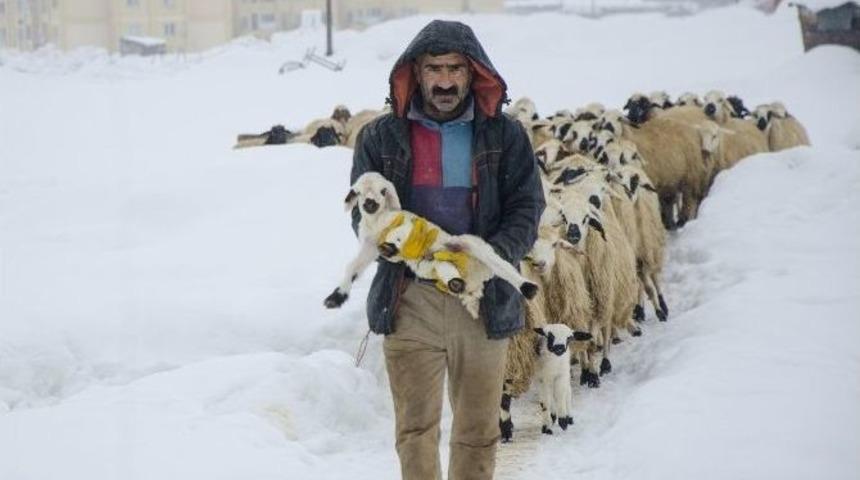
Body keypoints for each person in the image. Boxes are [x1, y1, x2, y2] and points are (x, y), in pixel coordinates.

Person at [349, 19, 545, 480]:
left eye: (455, 68)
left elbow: (527, 206)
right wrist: (392, 241)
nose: (444, 80)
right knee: (415, 428)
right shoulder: (379, 138)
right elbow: (362, 209)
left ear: (473, 72)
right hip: (409, 296)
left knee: (478, 430)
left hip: (481, 297)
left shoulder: (505, 135)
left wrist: (491, 254)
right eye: (433, 68)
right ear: (414, 72)